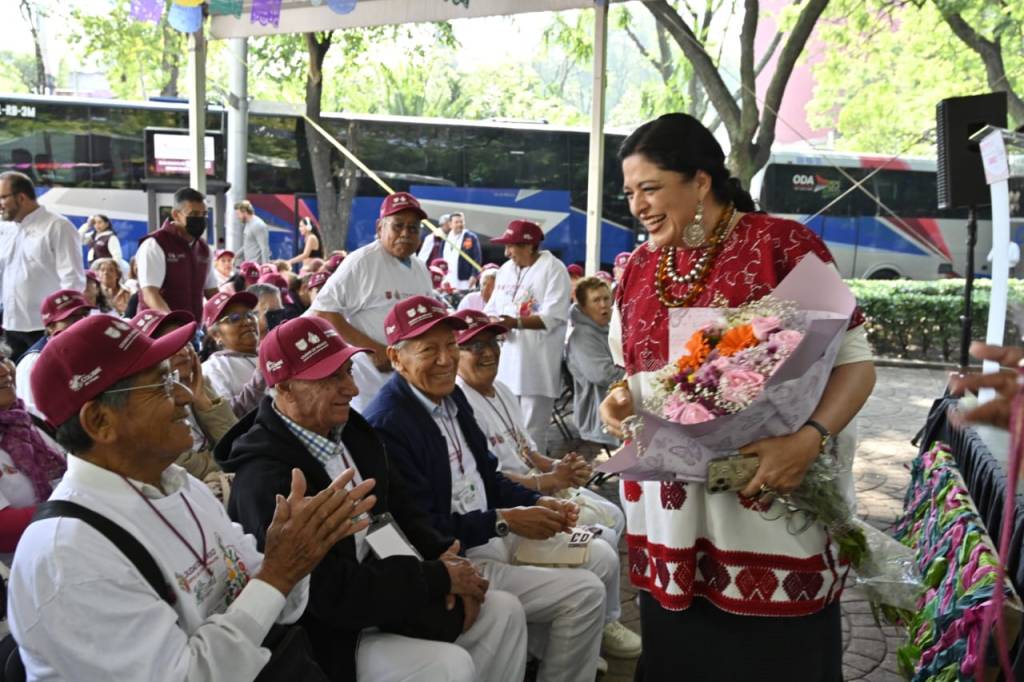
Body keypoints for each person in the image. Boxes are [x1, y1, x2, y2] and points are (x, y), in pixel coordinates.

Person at [601, 113, 876, 681]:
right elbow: (632, 371)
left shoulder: (780, 244)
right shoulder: (635, 269)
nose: (638, 206)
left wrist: (808, 439)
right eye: (630, 192)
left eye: (650, 188)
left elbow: (855, 364)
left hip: (770, 508)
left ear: (700, 181)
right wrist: (619, 397)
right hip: (668, 523)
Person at [9, 313, 376, 681]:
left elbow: (277, 609)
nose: (185, 396)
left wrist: (294, 560)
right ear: (100, 421)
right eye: (161, 385)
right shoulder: (69, 555)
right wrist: (279, 573)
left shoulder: (182, 486)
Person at [216, 316, 528, 682]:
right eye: (331, 377)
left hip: (386, 585)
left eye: (348, 370)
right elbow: (327, 595)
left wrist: (444, 558)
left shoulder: (349, 430)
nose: (350, 387)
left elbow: (398, 507)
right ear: (284, 388)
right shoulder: (269, 480)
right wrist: (433, 579)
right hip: (330, 637)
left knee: (503, 610)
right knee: (448, 665)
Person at [364, 295, 610, 682]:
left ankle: (554, 653)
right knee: (584, 592)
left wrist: (539, 502)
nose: (446, 360)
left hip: (498, 531)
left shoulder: (452, 397)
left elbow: (488, 477)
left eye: (451, 346)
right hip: (464, 552)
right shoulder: (388, 424)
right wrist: (505, 520)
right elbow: (422, 529)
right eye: (429, 349)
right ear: (396, 358)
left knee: (598, 552)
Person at [452, 308, 641, 660]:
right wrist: (548, 482)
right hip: (512, 506)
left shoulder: (503, 390)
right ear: (455, 353)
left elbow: (528, 451)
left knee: (611, 514)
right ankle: (593, 624)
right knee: (600, 532)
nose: (488, 351)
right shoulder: (459, 403)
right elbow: (491, 480)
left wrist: (560, 466)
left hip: (533, 488)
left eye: (492, 341)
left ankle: (595, 622)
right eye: (473, 346)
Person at [308, 192, 434, 412]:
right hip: (369, 377)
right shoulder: (362, 262)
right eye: (398, 226)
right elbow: (323, 313)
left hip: (409, 374)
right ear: (379, 228)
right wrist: (372, 350)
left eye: (413, 228)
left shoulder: (421, 268)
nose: (405, 233)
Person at [484, 219, 571, 454]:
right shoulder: (505, 270)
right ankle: (516, 481)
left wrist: (514, 323)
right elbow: (491, 308)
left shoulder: (554, 269)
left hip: (537, 367)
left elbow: (554, 316)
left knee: (533, 431)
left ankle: (540, 481)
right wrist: (493, 323)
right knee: (506, 428)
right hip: (506, 366)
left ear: (529, 246)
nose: (506, 252)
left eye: (511, 246)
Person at [131, 310, 236, 490]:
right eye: (169, 346)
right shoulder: (144, 407)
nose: (183, 351)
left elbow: (238, 443)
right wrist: (228, 458)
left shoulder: (197, 382)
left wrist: (205, 404)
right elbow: (192, 470)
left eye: (185, 342)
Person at [0, 171, 86, 361]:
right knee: (14, 385)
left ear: (21, 197)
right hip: (10, 326)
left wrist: (63, 324)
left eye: (3, 197)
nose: (0, 203)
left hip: (46, 329)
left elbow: (72, 280)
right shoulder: (5, 229)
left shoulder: (58, 226)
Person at [0, 341, 67, 563]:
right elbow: (4, 532)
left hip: (73, 544)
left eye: (2, 359)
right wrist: (78, 506)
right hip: (31, 563)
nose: (4, 371)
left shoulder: (31, 415)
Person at [135, 187, 218, 323]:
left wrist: (230, 312)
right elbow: (150, 294)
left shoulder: (203, 248)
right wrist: (173, 325)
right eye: (194, 214)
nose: (200, 219)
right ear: (176, 214)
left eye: (204, 214)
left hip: (193, 327)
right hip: (159, 329)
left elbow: (211, 290)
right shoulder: (155, 244)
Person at [16, 289, 97, 419]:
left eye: (85, 314)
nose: (82, 321)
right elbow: (33, 418)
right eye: (72, 318)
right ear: (51, 327)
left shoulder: (87, 347)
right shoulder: (33, 363)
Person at [566, 277, 623, 449]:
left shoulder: (609, 327)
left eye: (606, 299)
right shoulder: (583, 337)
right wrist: (637, 376)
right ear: (583, 307)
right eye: (596, 300)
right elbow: (604, 375)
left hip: (618, 401)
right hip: (600, 416)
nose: (604, 305)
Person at [201, 291, 267, 417]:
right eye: (234, 318)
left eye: (250, 314)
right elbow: (229, 416)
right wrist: (260, 376)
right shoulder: (213, 368)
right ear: (216, 335)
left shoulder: (269, 351)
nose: (247, 322)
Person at [442, 213, 482, 291]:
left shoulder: (470, 237)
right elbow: (440, 257)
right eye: (456, 222)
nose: (460, 224)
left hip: (465, 280)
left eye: (461, 222)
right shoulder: (445, 239)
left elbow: (477, 257)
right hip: (448, 278)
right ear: (450, 224)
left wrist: (474, 275)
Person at [237, 200, 271, 264]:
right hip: (250, 266)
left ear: (244, 212)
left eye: (238, 214)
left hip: (257, 267)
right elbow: (247, 245)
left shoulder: (258, 225)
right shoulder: (248, 224)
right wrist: (235, 256)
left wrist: (265, 267)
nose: (238, 217)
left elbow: (264, 248)